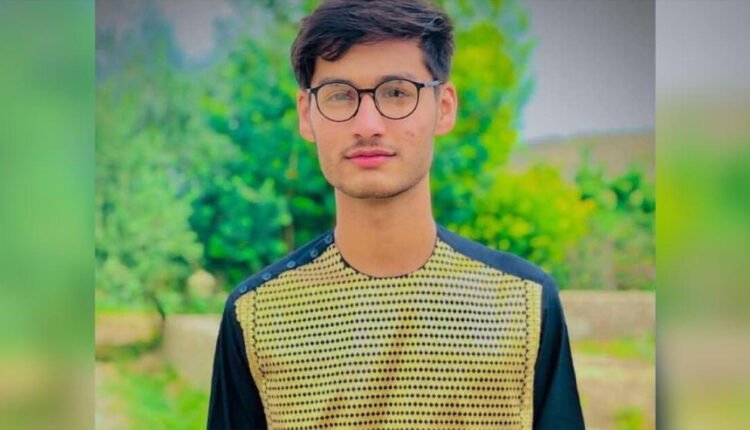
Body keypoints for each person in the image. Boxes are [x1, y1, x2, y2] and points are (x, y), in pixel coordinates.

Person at [207, 0, 585, 429]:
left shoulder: (524, 304)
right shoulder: (256, 315)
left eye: (397, 92)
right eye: (339, 95)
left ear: (444, 107)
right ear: (306, 114)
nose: (367, 124)